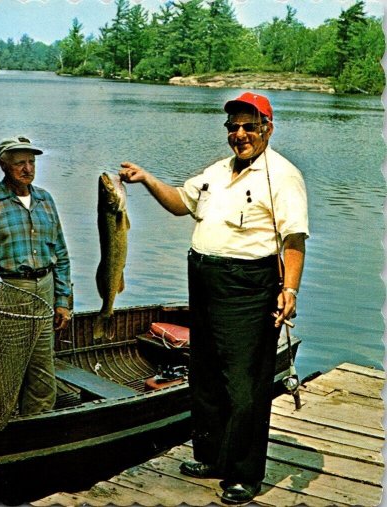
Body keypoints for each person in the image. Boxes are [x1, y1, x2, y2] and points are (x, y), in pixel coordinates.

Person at [118, 92, 308, 505]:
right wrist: (148, 179)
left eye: (249, 127)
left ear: (267, 130)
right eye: (233, 127)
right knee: (205, 373)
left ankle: (243, 473)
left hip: (248, 285)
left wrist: (289, 289)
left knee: (244, 384)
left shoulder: (284, 175)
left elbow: (293, 240)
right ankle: (212, 456)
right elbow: (179, 204)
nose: (240, 134)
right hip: (203, 278)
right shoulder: (217, 171)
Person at [0, 135, 72, 416]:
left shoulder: (46, 200)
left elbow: (61, 253)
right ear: (3, 166)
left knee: (43, 369)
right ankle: (0, 423)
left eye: (31, 162)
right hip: (5, 291)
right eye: (20, 163)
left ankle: (37, 428)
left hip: (44, 290)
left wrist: (63, 300)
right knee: (3, 367)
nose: (28, 169)